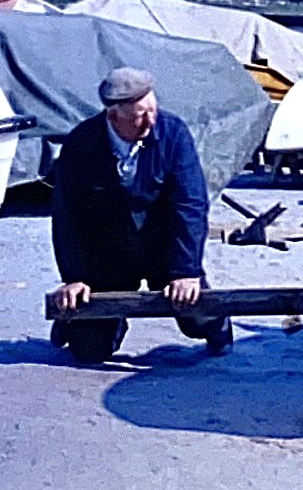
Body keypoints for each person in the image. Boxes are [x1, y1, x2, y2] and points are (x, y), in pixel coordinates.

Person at [48, 67, 232, 363]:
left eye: (152, 110)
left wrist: (186, 271)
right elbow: (67, 217)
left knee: (198, 316)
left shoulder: (173, 133)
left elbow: (190, 205)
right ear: (113, 117)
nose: (150, 121)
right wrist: (75, 277)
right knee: (90, 350)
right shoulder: (81, 143)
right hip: (109, 254)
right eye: (139, 116)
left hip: (164, 248)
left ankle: (219, 327)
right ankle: (82, 326)